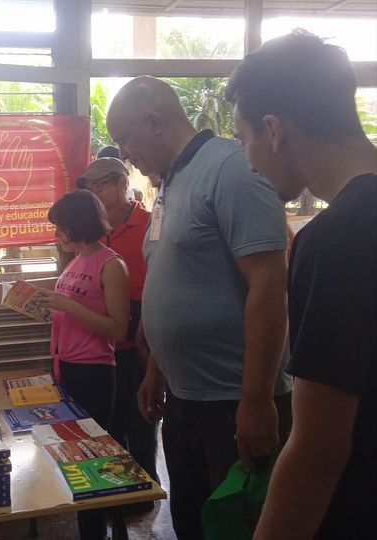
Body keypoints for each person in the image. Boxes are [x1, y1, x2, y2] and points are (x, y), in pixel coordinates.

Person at [106, 76, 293, 539]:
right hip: (187, 401)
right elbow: (178, 281)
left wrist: (257, 400)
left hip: (234, 402)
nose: (124, 155)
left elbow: (269, 285)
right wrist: (158, 369)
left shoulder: (230, 169)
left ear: (154, 122)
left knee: (238, 527)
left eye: (123, 141)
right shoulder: (170, 184)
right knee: (192, 522)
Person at [226, 30, 377, 540]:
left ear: (274, 130)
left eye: (245, 139)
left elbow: (319, 446)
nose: (247, 160)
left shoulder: (336, 239)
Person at [36, 189, 130, 540]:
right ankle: (90, 527)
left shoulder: (111, 264)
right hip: (65, 367)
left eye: (61, 228)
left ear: (79, 225)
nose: (56, 235)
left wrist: (68, 306)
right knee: (74, 456)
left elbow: (119, 328)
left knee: (92, 457)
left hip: (94, 371)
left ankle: (100, 530)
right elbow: (71, 312)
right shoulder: (75, 261)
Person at [75, 158, 158, 488]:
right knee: (108, 421)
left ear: (123, 183)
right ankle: (115, 488)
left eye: (102, 184)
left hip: (140, 331)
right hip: (98, 338)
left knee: (142, 416)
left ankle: (145, 488)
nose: (94, 191)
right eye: (89, 186)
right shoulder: (89, 232)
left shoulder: (151, 224)